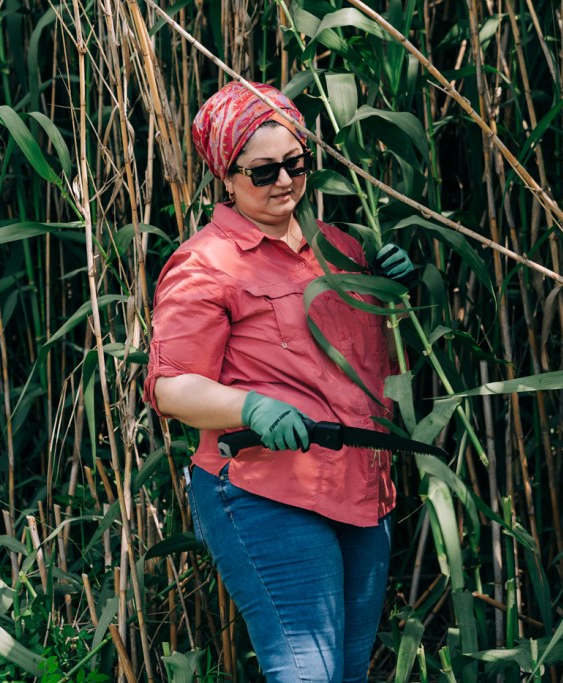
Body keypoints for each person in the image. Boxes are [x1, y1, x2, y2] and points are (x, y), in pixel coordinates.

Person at [144, 81, 416, 682]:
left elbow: (378, 367)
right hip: (266, 490)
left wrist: (391, 289)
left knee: (346, 674)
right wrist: (252, 407)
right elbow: (170, 387)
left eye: (295, 164)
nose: (286, 182)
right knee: (304, 673)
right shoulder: (205, 263)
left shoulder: (340, 248)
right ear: (228, 177)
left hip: (362, 490)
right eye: (264, 172)